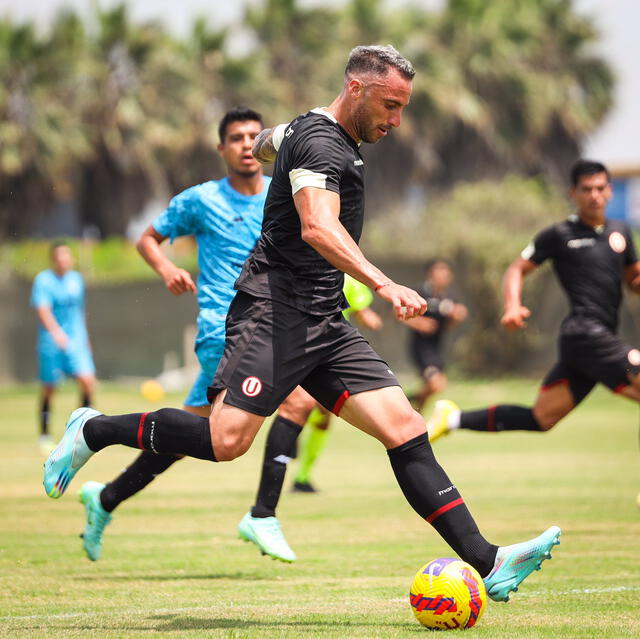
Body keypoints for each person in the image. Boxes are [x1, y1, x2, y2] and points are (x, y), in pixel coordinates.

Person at [45, 45, 560, 603]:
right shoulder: (320, 143)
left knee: (405, 427)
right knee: (226, 442)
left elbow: (269, 142)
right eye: (390, 106)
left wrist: (277, 139)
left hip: (324, 318)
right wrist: (384, 283)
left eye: (403, 108)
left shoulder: (308, 132)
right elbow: (317, 226)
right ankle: (93, 430)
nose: (396, 121)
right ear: (357, 89)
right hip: (274, 314)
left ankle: (490, 561)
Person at [75, 106, 270, 561]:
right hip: (223, 330)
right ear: (222, 148)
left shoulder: (279, 198)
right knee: (300, 398)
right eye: (237, 137)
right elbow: (147, 237)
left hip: (267, 327)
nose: (246, 144)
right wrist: (165, 267)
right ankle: (264, 513)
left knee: (187, 436)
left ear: (265, 146)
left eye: (254, 136)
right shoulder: (201, 199)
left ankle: (105, 498)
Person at [426, 160, 640, 447]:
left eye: (600, 188)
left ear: (610, 191)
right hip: (584, 332)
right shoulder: (560, 235)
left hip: (598, 338)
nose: (594, 195)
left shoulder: (621, 231)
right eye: (586, 189)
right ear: (573, 193)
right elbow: (517, 268)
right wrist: (512, 305)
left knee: (541, 418)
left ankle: (451, 419)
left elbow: (633, 279)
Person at [237, 275, 383, 563]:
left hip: (326, 352)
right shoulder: (307, 269)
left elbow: (362, 311)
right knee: (297, 406)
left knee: (321, 417)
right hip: (298, 349)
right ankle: (275, 491)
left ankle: (298, 476)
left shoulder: (350, 280)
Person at [31, 241, 96, 454]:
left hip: (77, 340)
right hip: (52, 341)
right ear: (53, 259)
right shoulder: (44, 280)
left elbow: (80, 310)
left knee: (87, 381)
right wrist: (56, 332)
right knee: (50, 388)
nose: (63, 260)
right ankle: (44, 435)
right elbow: (42, 309)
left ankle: (86, 432)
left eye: (66, 256)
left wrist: (85, 337)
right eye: (59, 256)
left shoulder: (76, 280)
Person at [405, 259, 467, 413]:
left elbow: (449, 325)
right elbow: (400, 313)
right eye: (438, 272)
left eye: (446, 273)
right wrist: (420, 323)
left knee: (432, 388)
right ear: (429, 274)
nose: (442, 276)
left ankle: (413, 414)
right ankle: (405, 402)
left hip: (436, 348)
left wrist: (456, 317)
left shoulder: (450, 298)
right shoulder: (420, 292)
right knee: (437, 384)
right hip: (420, 348)